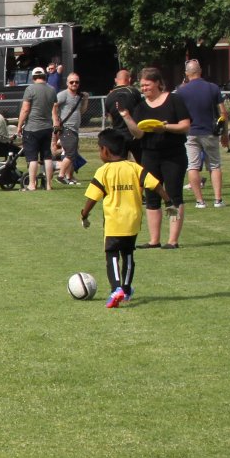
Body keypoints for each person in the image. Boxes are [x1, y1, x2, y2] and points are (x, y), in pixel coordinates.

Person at [81, 130, 175, 308]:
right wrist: (169, 202)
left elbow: (92, 198)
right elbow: (155, 184)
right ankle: (126, 289)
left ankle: (116, 289)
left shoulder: (103, 171)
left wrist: (84, 215)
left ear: (106, 150)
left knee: (112, 255)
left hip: (114, 222)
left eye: (100, 149)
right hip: (133, 221)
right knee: (128, 255)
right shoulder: (135, 168)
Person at [117, 67, 191, 249]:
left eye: (147, 85)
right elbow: (139, 134)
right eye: (142, 86)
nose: (144, 89)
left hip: (173, 154)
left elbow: (185, 125)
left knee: (173, 195)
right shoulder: (141, 107)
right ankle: (154, 240)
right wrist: (126, 117)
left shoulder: (174, 100)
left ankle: (172, 240)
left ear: (158, 83)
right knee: (151, 196)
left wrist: (165, 128)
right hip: (149, 155)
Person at [176, 60, 225, 208]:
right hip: (210, 131)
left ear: (186, 73)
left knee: (193, 166)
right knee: (214, 165)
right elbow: (223, 112)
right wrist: (225, 133)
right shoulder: (213, 87)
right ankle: (218, 200)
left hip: (190, 132)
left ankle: (200, 201)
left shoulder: (181, 91)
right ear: (200, 71)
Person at [16, 69, 61, 191]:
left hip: (32, 128)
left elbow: (25, 109)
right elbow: (54, 108)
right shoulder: (52, 90)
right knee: (47, 156)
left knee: (33, 158)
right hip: (47, 127)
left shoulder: (30, 89)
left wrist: (19, 126)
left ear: (33, 77)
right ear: (44, 76)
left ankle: (32, 184)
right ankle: (49, 185)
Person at [54, 73, 89, 185]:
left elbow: (81, 111)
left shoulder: (78, 96)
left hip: (75, 129)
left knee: (73, 153)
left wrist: (85, 100)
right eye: (72, 82)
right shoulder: (63, 95)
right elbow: (54, 106)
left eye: (76, 82)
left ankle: (69, 176)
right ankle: (61, 176)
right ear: (67, 83)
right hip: (66, 128)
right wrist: (56, 121)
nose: (74, 84)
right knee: (70, 154)